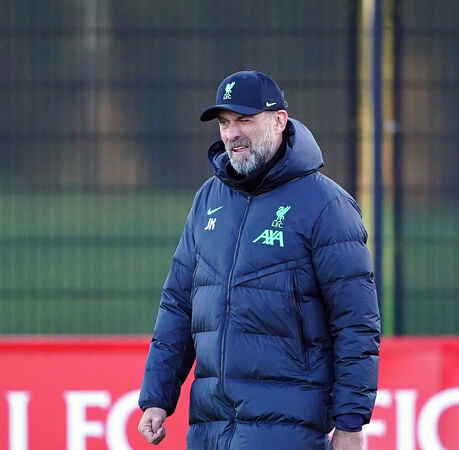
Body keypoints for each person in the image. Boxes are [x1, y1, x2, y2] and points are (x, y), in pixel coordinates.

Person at [137, 70, 380, 449]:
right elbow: (178, 304)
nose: (232, 133)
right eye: (224, 123)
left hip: (286, 429)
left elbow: (356, 324)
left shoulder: (327, 205)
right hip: (209, 429)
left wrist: (350, 424)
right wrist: (157, 396)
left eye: (244, 120)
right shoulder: (207, 199)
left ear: (279, 121)